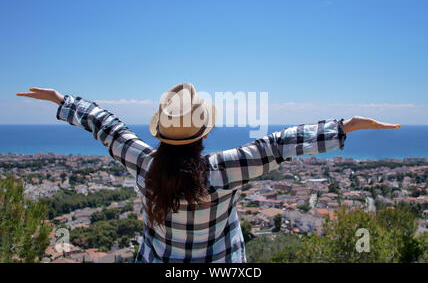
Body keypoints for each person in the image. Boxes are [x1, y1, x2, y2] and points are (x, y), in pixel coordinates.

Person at [16, 83, 401, 263]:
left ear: (161, 133)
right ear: (204, 134)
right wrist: (345, 126)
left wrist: (63, 101)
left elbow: (108, 127)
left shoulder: (143, 162)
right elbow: (279, 144)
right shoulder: (225, 170)